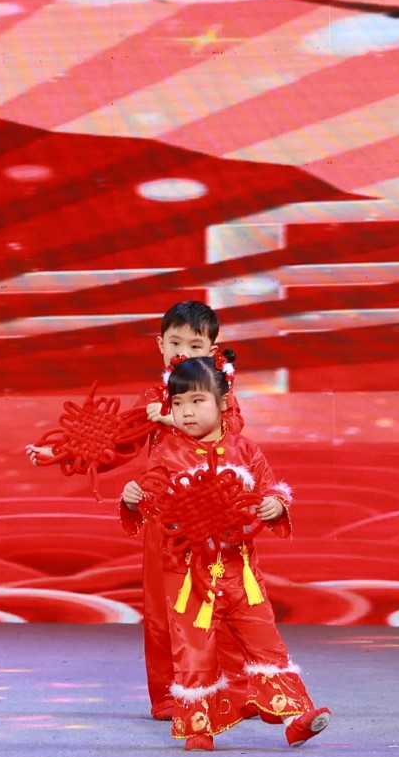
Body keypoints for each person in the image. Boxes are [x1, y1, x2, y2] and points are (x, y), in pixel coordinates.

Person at [28, 300, 245, 720]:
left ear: (212, 349)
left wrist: (171, 418)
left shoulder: (221, 394)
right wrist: (60, 453)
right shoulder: (153, 396)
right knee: (163, 610)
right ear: (160, 345)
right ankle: (169, 695)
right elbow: (117, 442)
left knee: (221, 601)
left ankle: (235, 689)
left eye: (195, 345)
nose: (183, 352)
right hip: (164, 515)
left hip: (213, 516)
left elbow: (230, 434)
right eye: (175, 343)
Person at [121, 357, 331, 751]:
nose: (186, 411)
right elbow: (150, 497)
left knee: (265, 641)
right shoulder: (166, 454)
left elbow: (272, 488)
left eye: (197, 401)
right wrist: (133, 499)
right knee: (194, 649)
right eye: (177, 402)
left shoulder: (245, 450)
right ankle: (199, 728)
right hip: (188, 578)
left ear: (222, 403)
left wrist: (276, 504)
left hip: (241, 573)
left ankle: (295, 718)